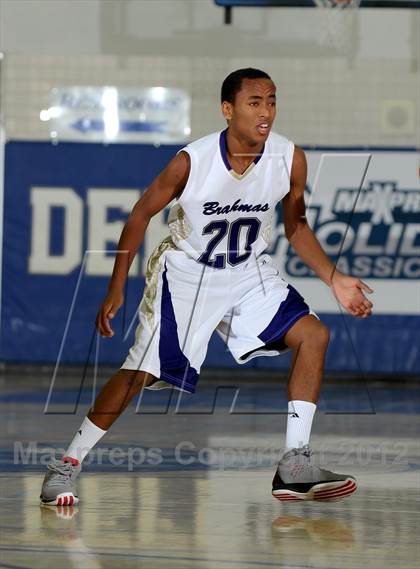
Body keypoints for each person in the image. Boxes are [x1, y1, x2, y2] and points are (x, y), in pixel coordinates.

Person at [40, 68, 373, 506]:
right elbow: (139, 216)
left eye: (271, 100)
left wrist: (334, 278)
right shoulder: (191, 161)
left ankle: (294, 463)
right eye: (255, 102)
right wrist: (116, 287)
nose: (266, 111)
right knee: (141, 373)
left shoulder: (289, 157)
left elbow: (296, 226)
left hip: (248, 271)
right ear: (228, 109)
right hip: (187, 275)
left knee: (314, 334)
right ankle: (66, 465)